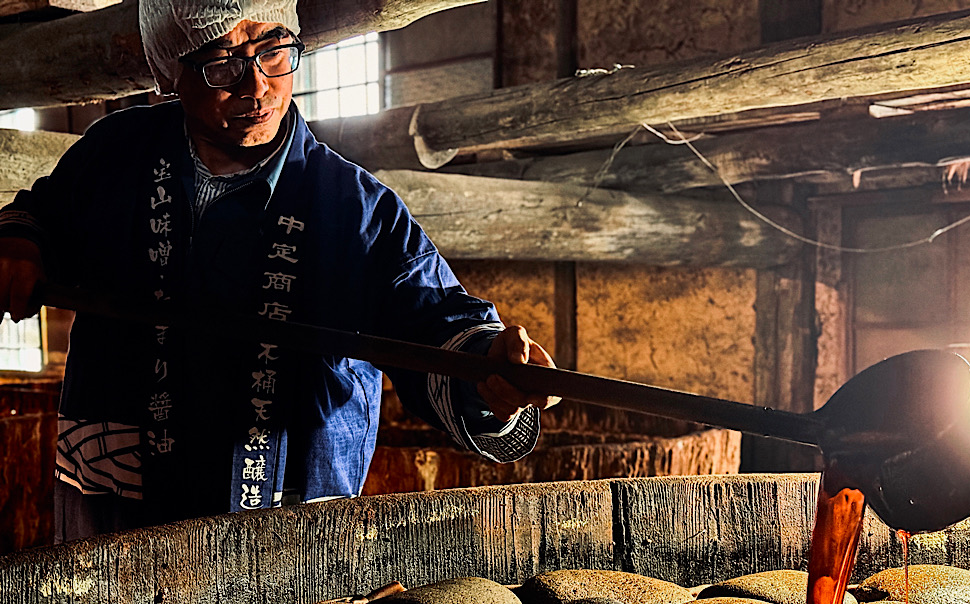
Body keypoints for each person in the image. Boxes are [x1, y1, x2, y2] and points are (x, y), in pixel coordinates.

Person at [0, 0, 559, 541]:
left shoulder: (356, 208)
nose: (257, 86)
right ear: (171, 71)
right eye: (222, 63)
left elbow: (435, 323)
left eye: (273, 51)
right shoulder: (115, 154)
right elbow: (39, 218)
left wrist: (489, 370)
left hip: (288, 527)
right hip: (119, 502)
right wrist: (20, 247)